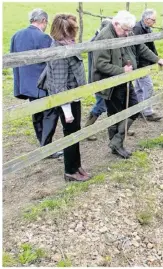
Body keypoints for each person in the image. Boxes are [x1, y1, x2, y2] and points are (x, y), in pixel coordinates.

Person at [91, 10, 163, 158]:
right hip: (110, 84)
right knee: (116, 114)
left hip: (124, 80)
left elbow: (140, 47)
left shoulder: (126, 32)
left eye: (128, 31)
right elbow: (100, 64)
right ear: (116, 23)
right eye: (125, 30)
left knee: (134, 108)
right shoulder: (104, 37)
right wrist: (122, 70)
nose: (127, 34)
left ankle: (116, 142)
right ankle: (116, 145)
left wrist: (156, 58)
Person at [41, 14, 91, 181]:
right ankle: (70, 170)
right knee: (70, 133)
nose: (73, 36)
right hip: (67, 101)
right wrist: (66, 109)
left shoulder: (67, 45)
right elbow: (59, 84)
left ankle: (77, 165)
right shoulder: (59, 52)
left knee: (75, 132)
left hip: (73, 97)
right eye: (69, 32)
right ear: (61, 32)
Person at [10, 8, 63, 159]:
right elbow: (52, 62)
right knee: (50, 113)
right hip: (42, 85)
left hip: (25, 83)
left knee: (37, 113)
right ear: (44, 21)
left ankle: (42, 142)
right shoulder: (44, 38)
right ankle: (46, 148)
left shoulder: (16, 36)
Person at [133, 9, 163, 122]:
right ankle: (147, 111)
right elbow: (140, 49)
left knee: (140, 87)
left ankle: (139, 108)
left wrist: (155, 57)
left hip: (143, 62)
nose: (154, 23)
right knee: (148, 86)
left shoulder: (145, 28)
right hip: (140, 63)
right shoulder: (137, 29)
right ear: (147, 19)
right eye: (153, 20)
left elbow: (150, 45)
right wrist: (155, 58)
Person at [84, 18, 112, 141]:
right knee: (101, 104)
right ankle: (87, 129)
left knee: (114, 103)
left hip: (105, 77)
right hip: (99, 79)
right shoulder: (97, 42)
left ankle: (121, 127)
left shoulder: (99, 39)